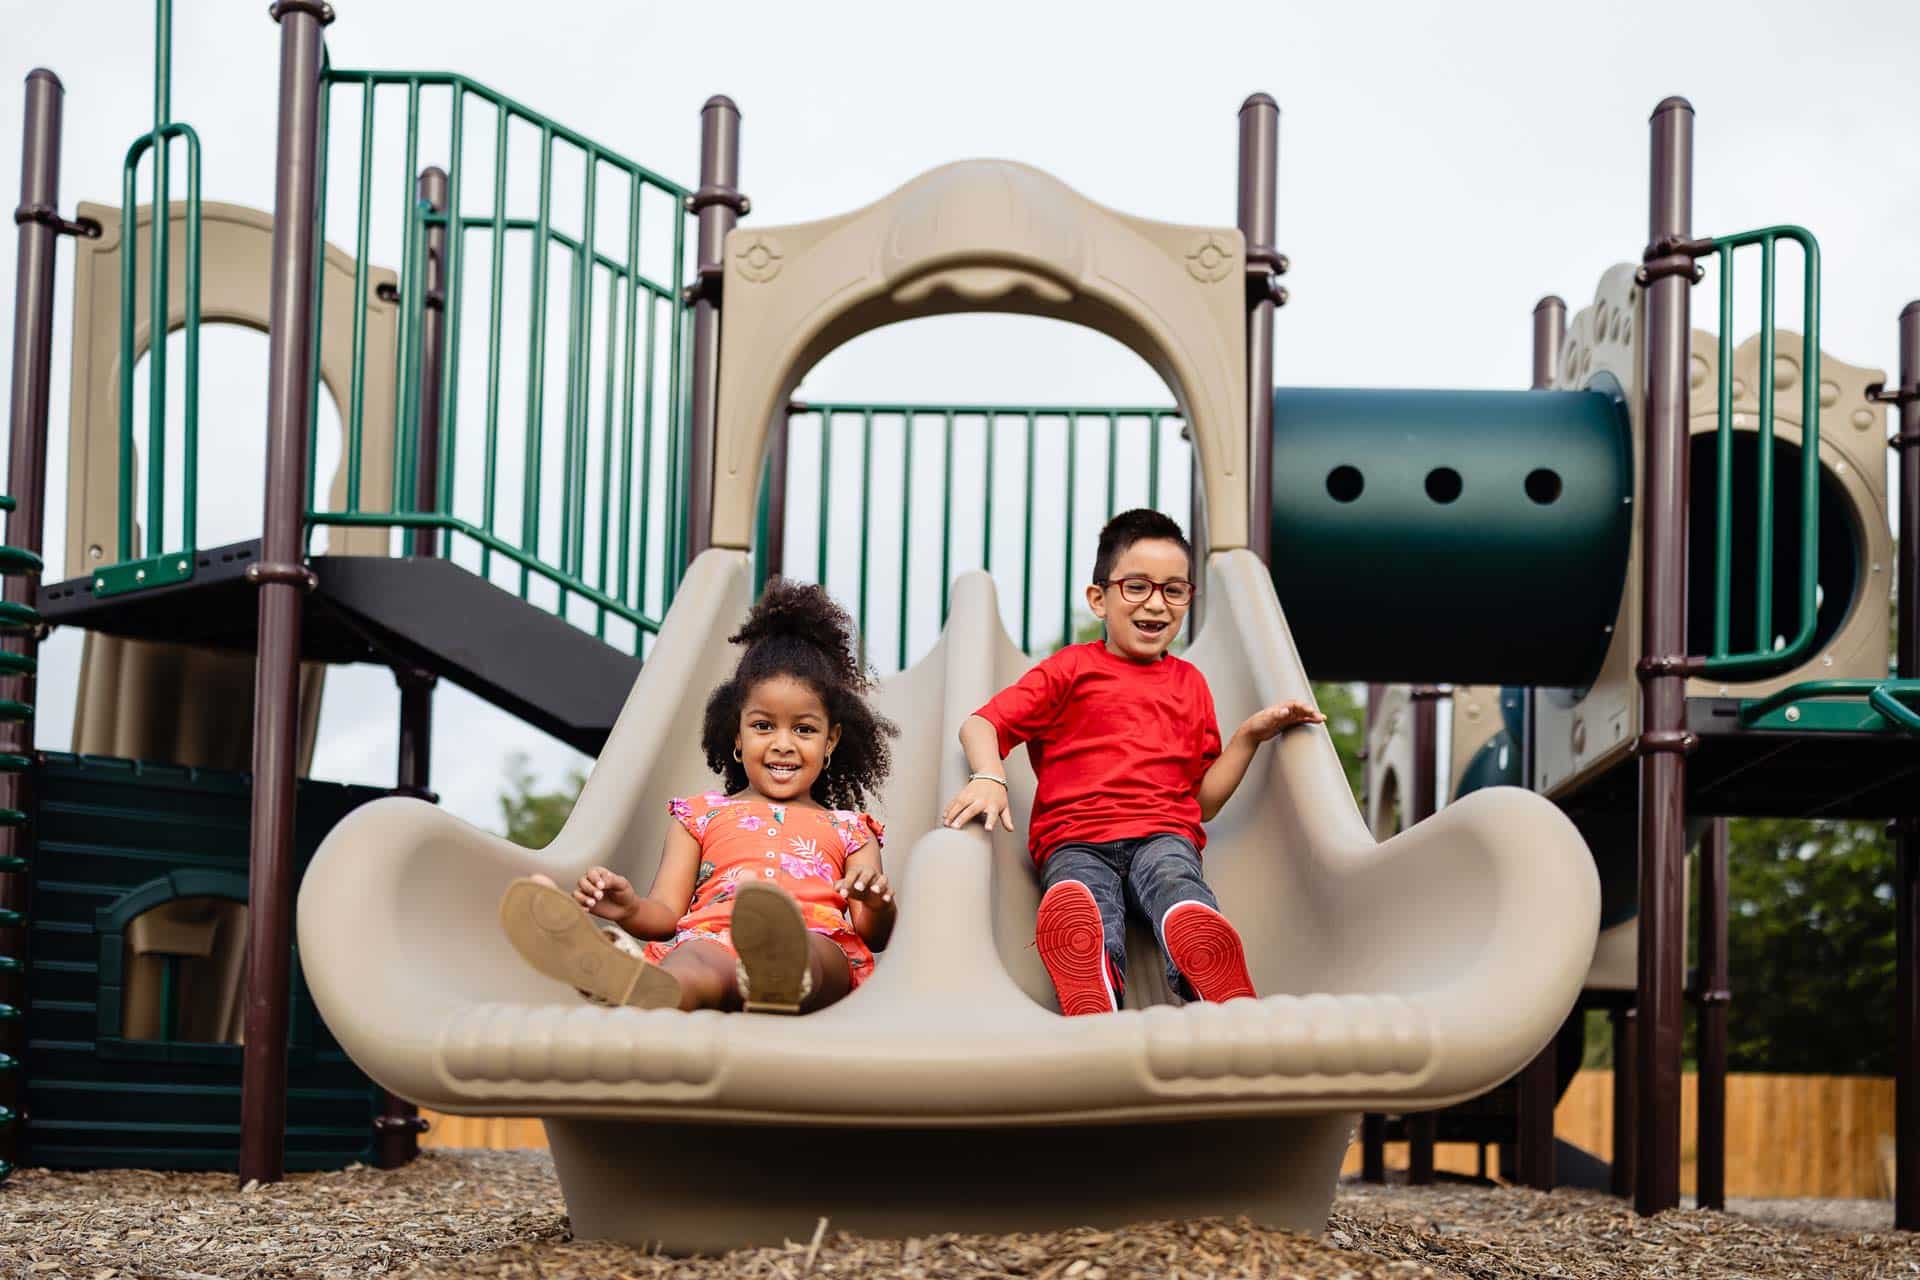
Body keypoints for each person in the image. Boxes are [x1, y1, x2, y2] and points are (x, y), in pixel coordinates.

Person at [941, 508, 1323, 1014]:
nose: (1156, 604)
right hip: (1075, 836)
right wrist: (989, 775)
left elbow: (1203, 801)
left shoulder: (1190, 684)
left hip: (1164, 832)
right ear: (1099, 598)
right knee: (1082, 898)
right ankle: (1094, 973)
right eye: (1137, 586)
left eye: (1174, 590)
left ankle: (1199, 952)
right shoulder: (1070, 669)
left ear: (1189, 600)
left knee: (1176, 885)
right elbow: (982, 724)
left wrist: (1248, 738)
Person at [500, 580, 900, 1014]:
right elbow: (666, 914)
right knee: (692, 965)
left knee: (814, 955)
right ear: (737, 735)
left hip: (813, 942)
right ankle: (636, 986)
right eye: (763, 726)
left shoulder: (851, 830)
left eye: (803, 729)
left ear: (831, 741)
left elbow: (872, 934)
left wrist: (876, 902)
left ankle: (782, 976)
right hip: (715, 936)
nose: (783, 744)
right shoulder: (701, 816)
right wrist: (629, 908)